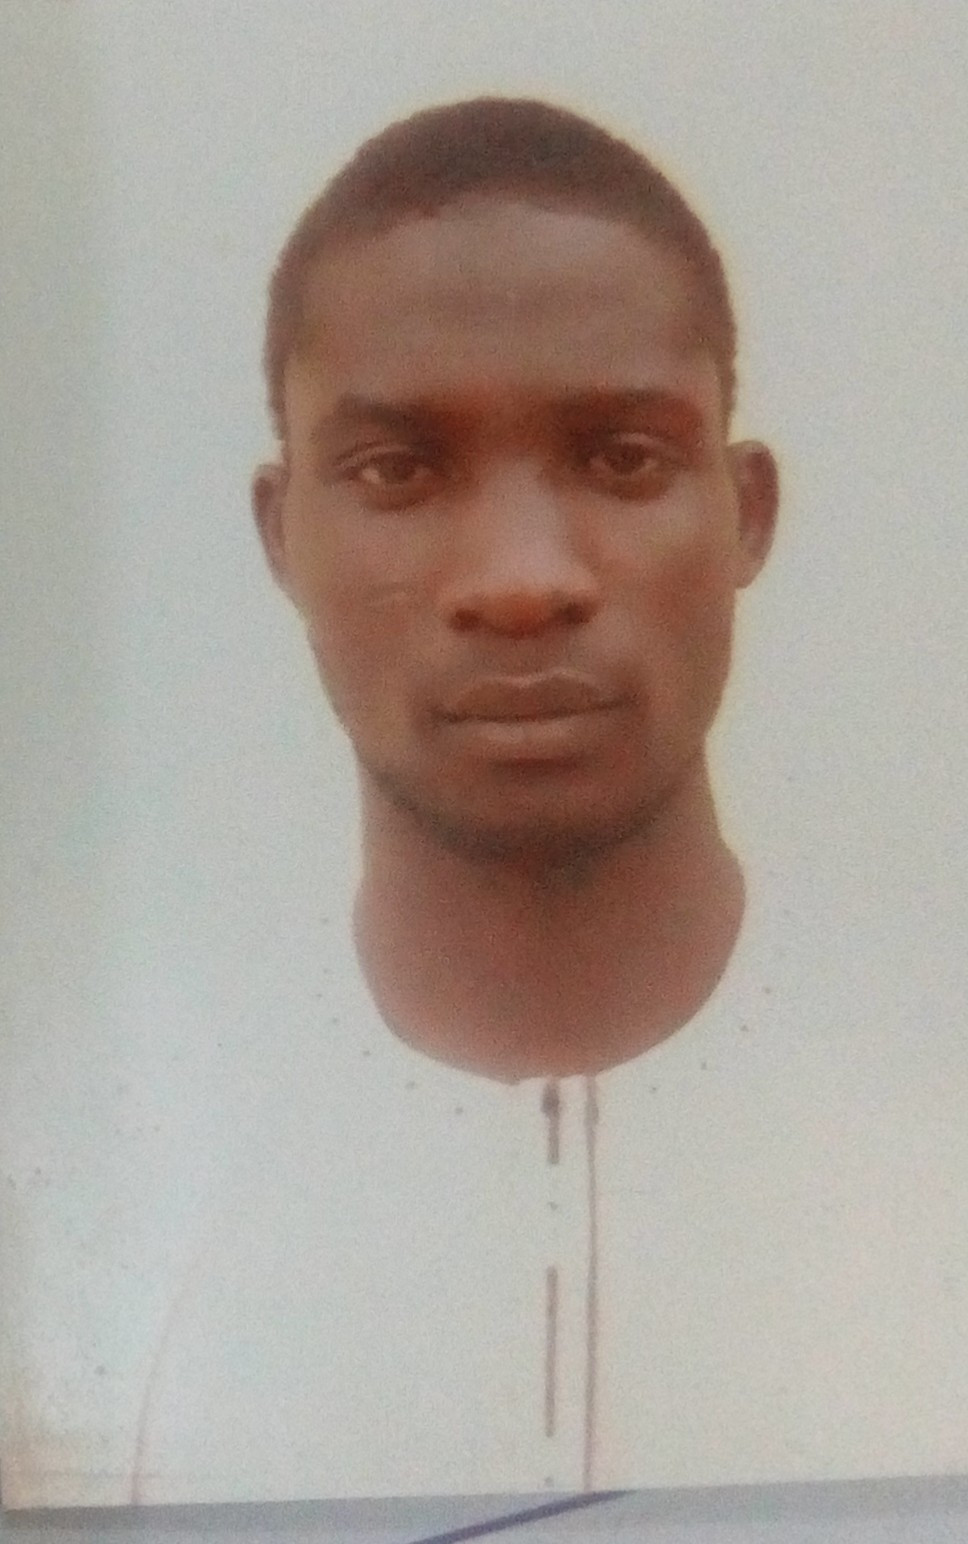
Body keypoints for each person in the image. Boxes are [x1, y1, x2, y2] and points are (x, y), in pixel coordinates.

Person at [130, 98, 968, 1507]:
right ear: (281, 535)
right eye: (398, 471)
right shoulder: (130, 1213)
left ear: (748, 512)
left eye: (622, 458)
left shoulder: (933, 1136)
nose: (521, 579)